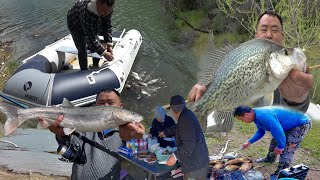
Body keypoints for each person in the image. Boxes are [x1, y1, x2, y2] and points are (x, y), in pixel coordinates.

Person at [188, 10, 314, 112]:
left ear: (282, 35)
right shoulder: (240, 55)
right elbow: (221, 72)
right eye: (264, 29)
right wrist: (204, 84)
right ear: (256, 34)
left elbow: (296, 110)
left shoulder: (292, 73)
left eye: (275, 30)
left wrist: (299, 100)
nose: (269, 35)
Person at [44, 89, 145, 179]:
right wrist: (61, 135)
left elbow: (141, 164)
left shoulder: (129, 133)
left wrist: (137, 140)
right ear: (95, 106)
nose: (106, 106)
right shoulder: (82, 127)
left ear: (121, 107)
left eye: (111, 103)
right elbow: (69, 147)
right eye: (101, 103)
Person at [234, 105, 311, 177]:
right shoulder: (256, 116)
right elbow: (261, 131)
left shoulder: (264, 116)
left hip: (300, 123)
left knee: (288, 147)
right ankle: (270, 159)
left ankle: (281, 173)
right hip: (287, 124)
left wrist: (281, 146)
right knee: (274, 141)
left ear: (246, 115)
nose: (243, 122)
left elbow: (278, 131)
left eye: (241, 119)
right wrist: (249, 142)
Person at [166, 95, 209, 180]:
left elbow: (188, 146)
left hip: (195, 166)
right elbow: (178, 128)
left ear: (174, 110)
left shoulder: (186, 120)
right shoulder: (186, 115)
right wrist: (165, 132)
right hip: (198, 161)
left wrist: (175, 156)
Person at [67, 0, 115, 70]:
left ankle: (95, 65)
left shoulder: (107, 9)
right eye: (104, 10)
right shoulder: (88, 11)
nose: (105, 13)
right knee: (82, 49)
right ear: (98, 3)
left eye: (108, 11)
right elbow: (90, 38)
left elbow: (107, 26)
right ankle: (84, 70)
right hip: (75, 24)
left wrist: (109, 45)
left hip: (89, 21)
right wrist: (104, 53)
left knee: (96, 44)